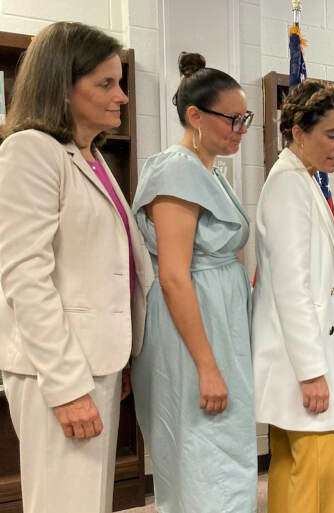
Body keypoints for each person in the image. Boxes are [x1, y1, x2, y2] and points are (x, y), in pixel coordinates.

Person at [0, 22, 153, 513]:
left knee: (88, 500)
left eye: (119, 82)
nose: (123, 97)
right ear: (61, 87)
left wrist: (119, 354)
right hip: (58, 372)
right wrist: (66, 386)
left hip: (97, 362)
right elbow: (25, 277)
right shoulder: (29, 152)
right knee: (65, 504)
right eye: (105, 84)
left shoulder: (92, 157)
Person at [130, 53, 257, 512]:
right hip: (192, 330)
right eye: (233, 119)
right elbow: (173, 276)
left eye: (246, 118)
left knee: (224, 446)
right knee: (201, 452)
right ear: (195, 116)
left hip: (219, 320)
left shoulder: (210, 170)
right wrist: (207, 365)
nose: (241, 129)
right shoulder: (175, 169)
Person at [251, 79, 334, 513]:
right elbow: (292, 287)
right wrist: (313, 372)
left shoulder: (302, 179)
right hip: (304, 362)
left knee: (293, 472)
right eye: (333, 134)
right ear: (297, 131)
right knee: (318, 480)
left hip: (301, 357)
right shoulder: (290, 185)